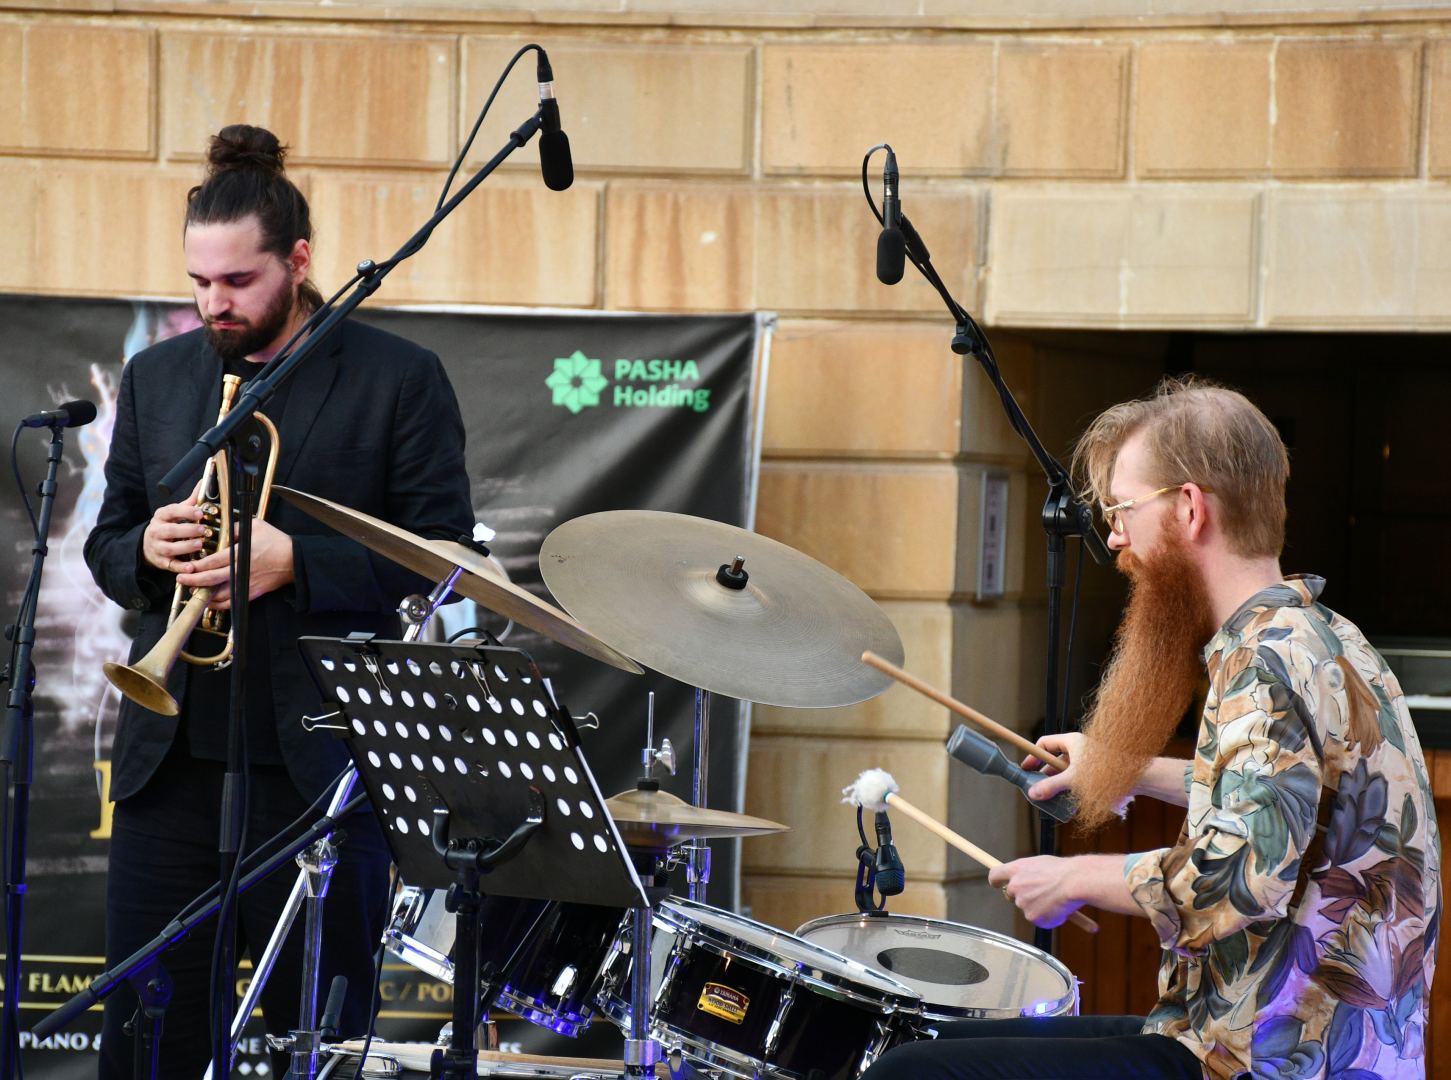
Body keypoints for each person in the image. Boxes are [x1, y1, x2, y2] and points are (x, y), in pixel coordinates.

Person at [861, 377, 1439, 1080]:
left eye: (1120, 509)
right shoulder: (1324, 634)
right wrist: (1123, 766)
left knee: (908, 1074)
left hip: (1271, 1058)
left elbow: (1241, 884)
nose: (1112, 537)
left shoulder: (1266, 662)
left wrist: (1073, 877)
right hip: (1253, 1034)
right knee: (926, 1051)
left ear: (1190, 508)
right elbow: (1282, 798)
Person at [84, 124, 475, 1079]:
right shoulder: (157, 375)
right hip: (168, 769)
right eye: (198, 283)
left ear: (299, 263)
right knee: (145, 1039)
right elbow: (109, 542)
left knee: (320, 1041)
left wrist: (297, 561)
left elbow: (447, 558)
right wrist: (145, 547)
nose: (213, 304)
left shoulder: (397, 378)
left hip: (321, 775)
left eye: (237, 283)